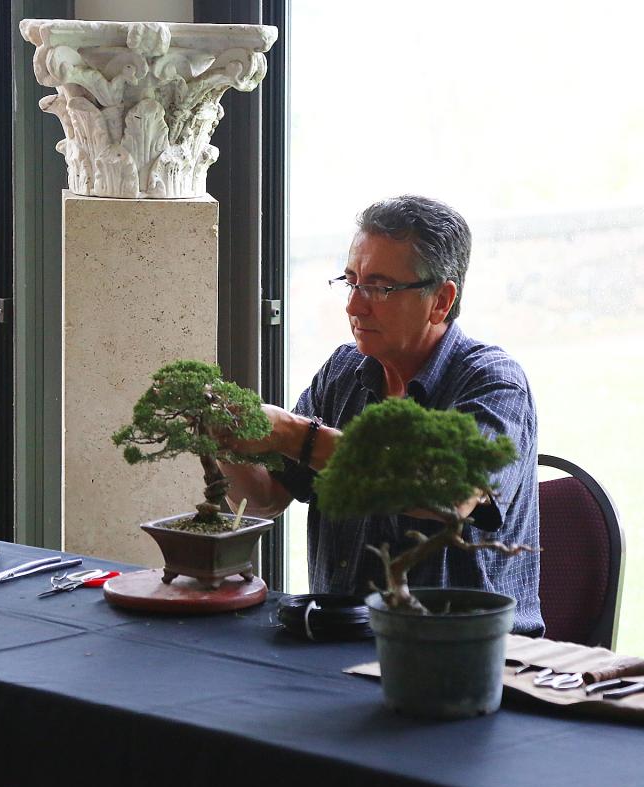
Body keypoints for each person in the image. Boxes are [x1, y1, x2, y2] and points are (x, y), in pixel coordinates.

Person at [221, 195, 543, 635]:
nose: (355, 307)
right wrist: (228, 440)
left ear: (441, 300)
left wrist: (298, 436)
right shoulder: (343, 372)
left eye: (380, 287)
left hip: (462, 653)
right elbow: (266, 498)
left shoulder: (491, 382)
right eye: (351, 282)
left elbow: (448, 493)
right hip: (341, 639)